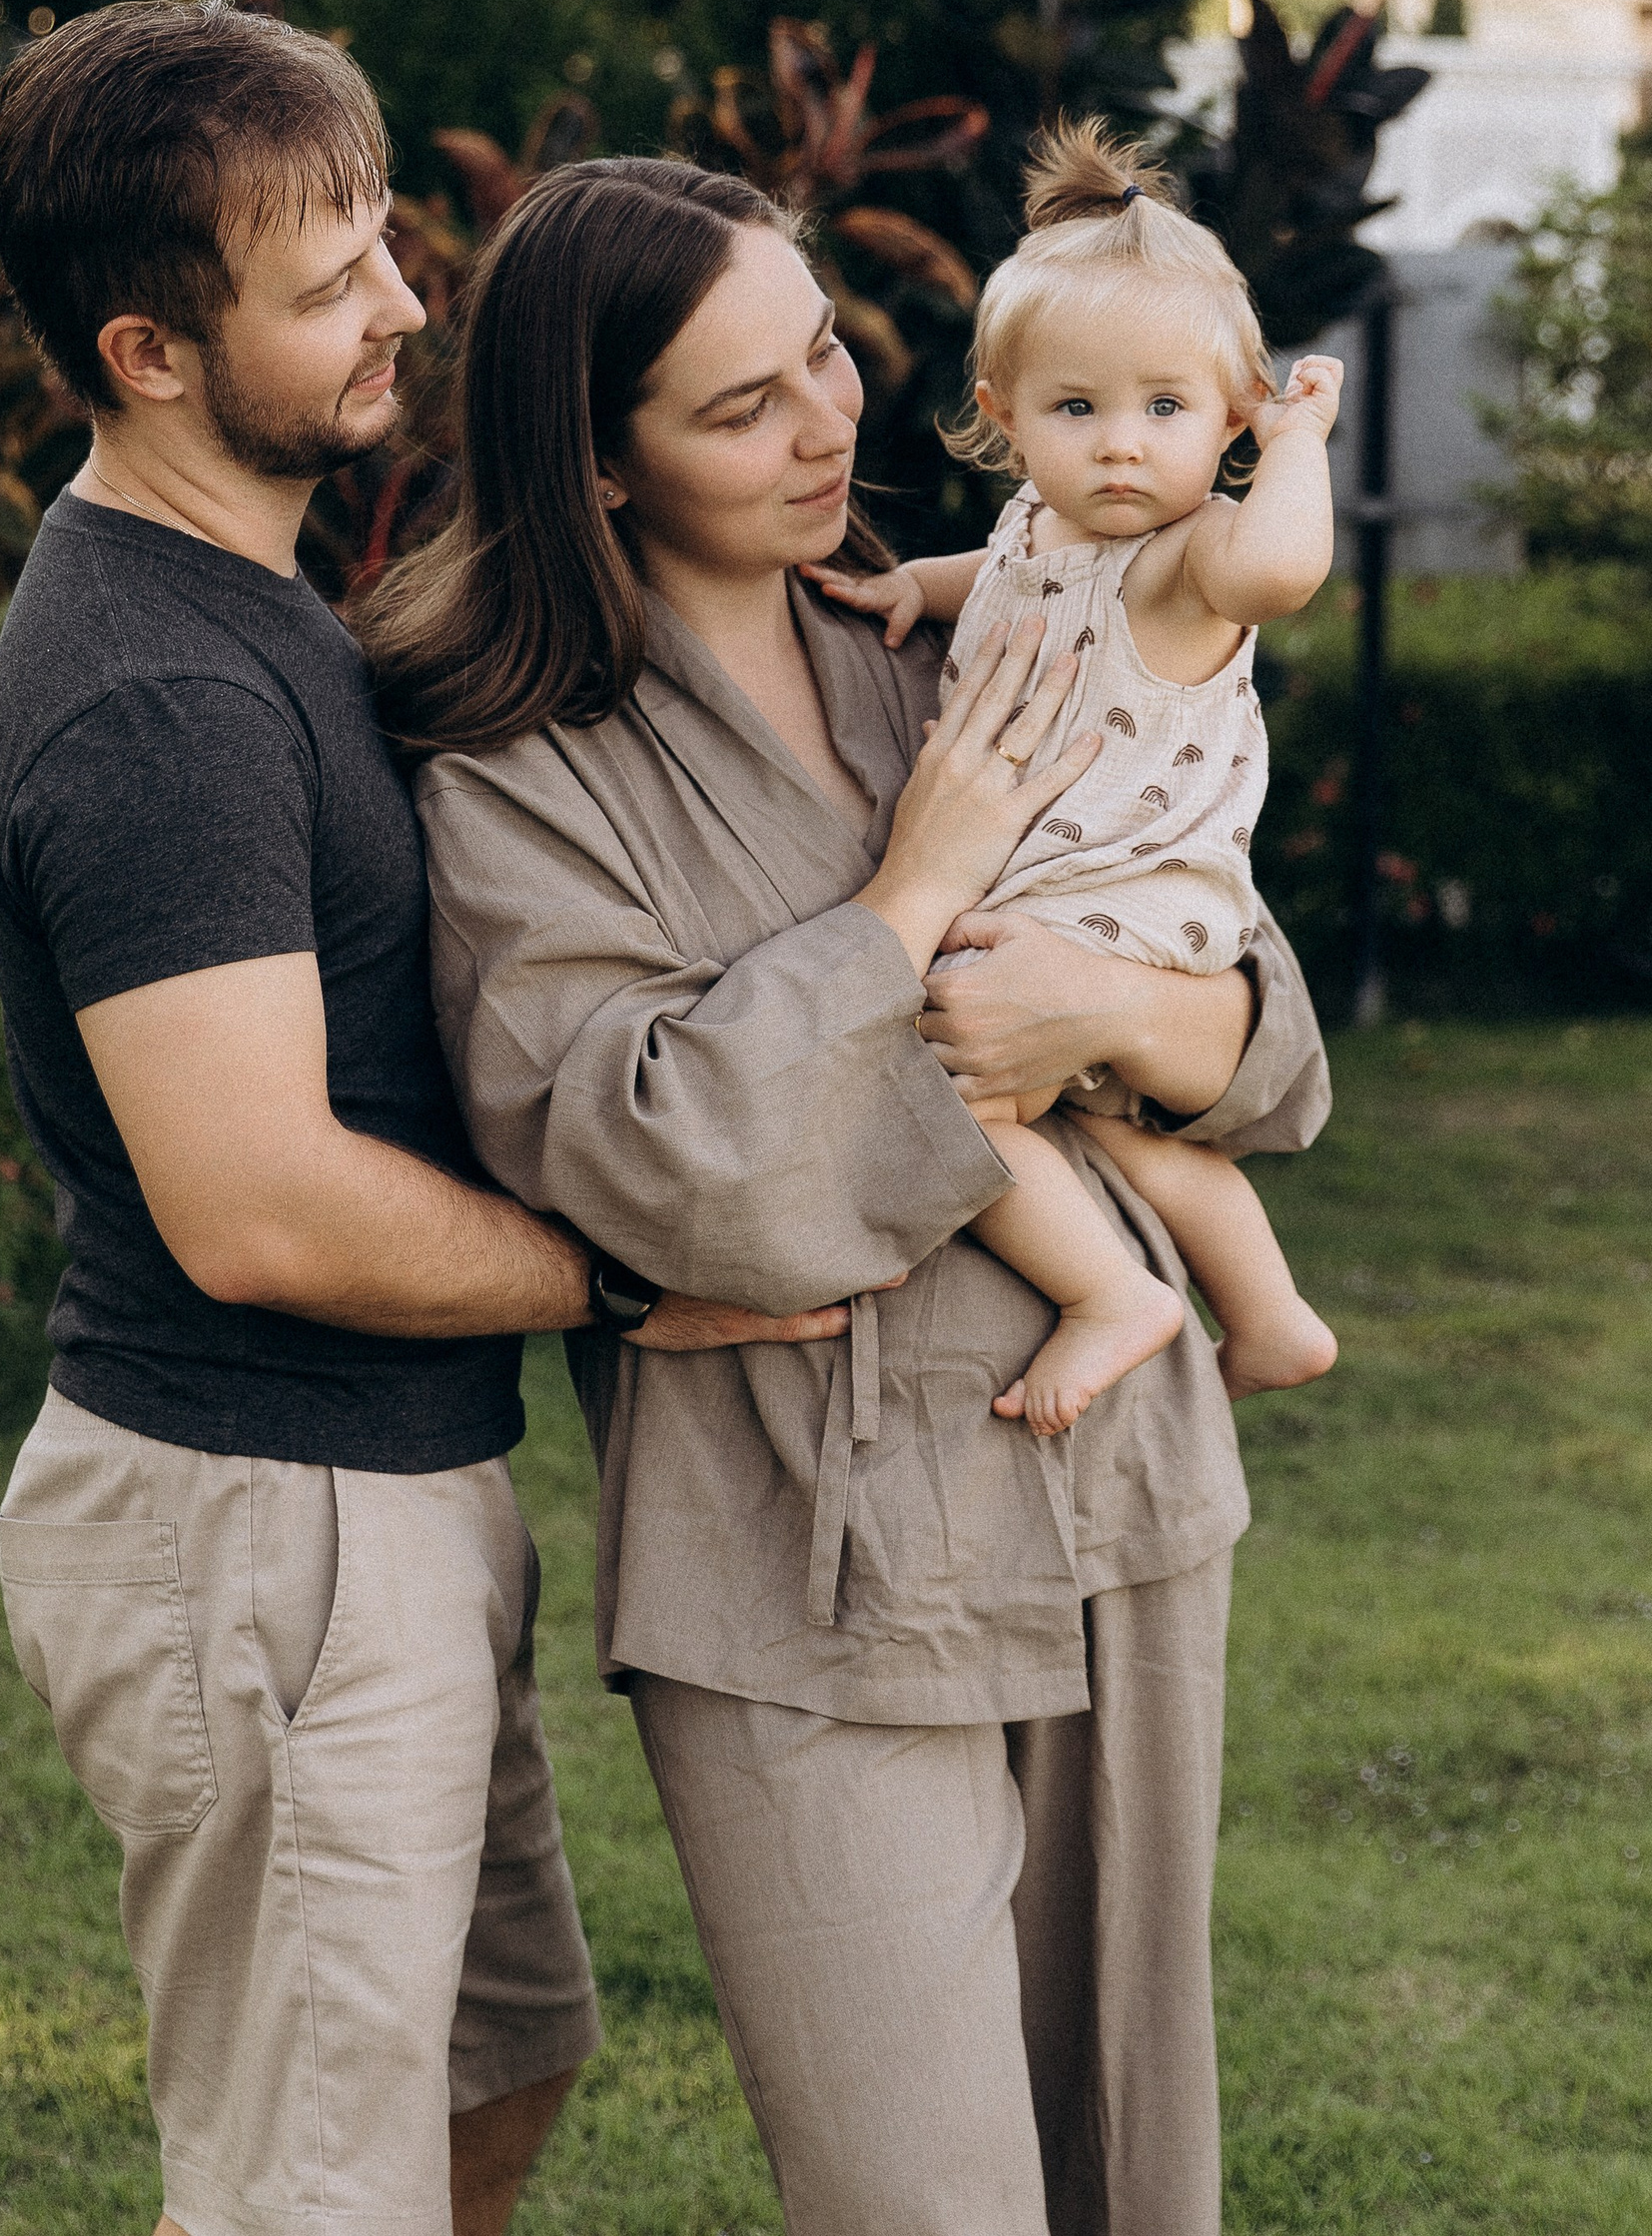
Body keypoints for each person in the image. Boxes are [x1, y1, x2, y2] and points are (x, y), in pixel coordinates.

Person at [360, 154, 1333, 2236]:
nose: (822, 423)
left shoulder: (968, 613)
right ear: (596, 464)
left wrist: (1102, 1000)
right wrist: (903, 912)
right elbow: (652, 1161)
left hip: (1118, 1507)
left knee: (1130, 2180)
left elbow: (1261, 1041)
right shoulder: (516, 764)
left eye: (818, 350)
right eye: (737, 405)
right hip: (799, 1561)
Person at [0, 7, 853, 2236]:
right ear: (150, 349)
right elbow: (257, 1203)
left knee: (492, 2060)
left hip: (381, 1499)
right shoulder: (159, 691)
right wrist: (635, 1274)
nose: (400, 302)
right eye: (327, 278)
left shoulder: (250, 607)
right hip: (266, 1519)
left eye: (382, 238)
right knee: (301, 2184)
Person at [809, 118, 1341, 1427]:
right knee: (1121, 1129)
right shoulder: (1037, 528)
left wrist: (1301, 445)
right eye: (1077, 407)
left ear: (1230, 415)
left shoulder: (1192, 558)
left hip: (1127, 898)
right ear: (1004, 417)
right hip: (1080, 892)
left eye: (1166, 408)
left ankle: (1112, 1292)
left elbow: (1283, 573)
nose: (1120, 445)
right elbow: (990, 580)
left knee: (958, 1094)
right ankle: (1273, 1314)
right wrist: (903, 589)